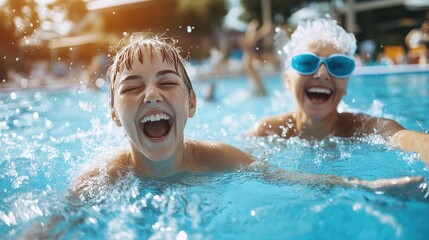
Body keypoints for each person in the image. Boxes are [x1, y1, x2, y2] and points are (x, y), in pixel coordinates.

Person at [71, 32, 426, 199]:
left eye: (337, 66)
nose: (150, 95)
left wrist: (365, 187)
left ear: (192, 104)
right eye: (132, 88)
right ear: (114, 114)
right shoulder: (99, 179)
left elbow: (285, 178)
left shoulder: (219, 157)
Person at [250, 18, 429, 164]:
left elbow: (410, 140)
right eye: (306, 63)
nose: (322, 73)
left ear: (346, 87)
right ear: (287, 80)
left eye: (338, 65)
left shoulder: (365, 129)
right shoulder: (267, 131)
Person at [242, 19, 272, 96]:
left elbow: (249, 42)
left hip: (260, 93)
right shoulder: (249, 63)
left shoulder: (249, 64)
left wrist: (253, 30)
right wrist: (262, 31)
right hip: (260, 92)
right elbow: (249, 42)